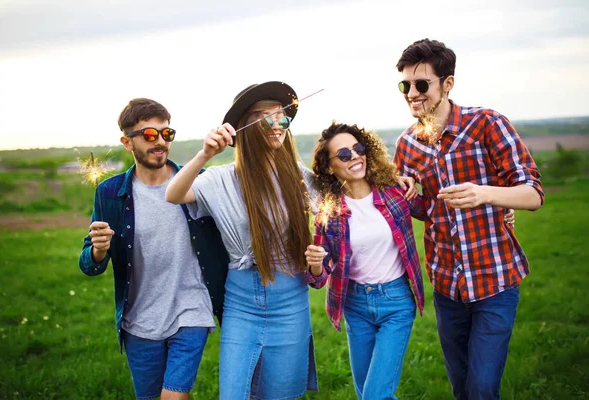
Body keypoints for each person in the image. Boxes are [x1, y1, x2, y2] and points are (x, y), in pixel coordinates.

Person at [393, 38, 544, 399]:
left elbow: (533, 194)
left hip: (495, 282)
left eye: (422, 84)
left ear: (448, 84)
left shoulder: (487, 124)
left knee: (480, 391)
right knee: (463, 390)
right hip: (447, 287)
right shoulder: (406, 145)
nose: (412, 93)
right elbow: (425, 211)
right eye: (405, 85)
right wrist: (407, 192)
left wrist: (485, 193)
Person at [165, 81, 318, 400]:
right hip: (242, 300)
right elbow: (174, 193)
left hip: (290, 296)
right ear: (245, 127)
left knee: (279, 393)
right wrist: (205, 153)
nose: (277, 125)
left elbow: (347, 194)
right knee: (234, 393)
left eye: (282, 118)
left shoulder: (298, 176)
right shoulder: (221, 178)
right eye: (266, 118)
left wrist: (392, 179)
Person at [78, 98, 229, 400]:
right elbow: (89, 264)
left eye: (166, 133)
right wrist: (98, 250)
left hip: (191, 310)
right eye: (149, 135)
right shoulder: (109, 193)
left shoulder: (198, 181)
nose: (160, 141)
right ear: (126, 141)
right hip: (139, 321)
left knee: (173, 396)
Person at [303, 122, 426, 400]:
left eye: (358, 149)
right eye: (344, 155)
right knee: (367, 394)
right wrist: (315, 262)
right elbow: (318, 279)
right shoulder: (329, 211)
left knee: (374, 396)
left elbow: (434, 211)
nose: (355, 157)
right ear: (329, 167)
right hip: (355, 306)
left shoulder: (394, 192)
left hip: (396, 303)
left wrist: (412, 182)